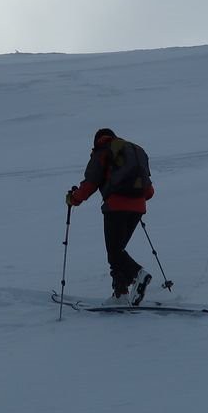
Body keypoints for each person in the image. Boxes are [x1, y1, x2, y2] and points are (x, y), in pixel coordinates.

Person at [66, 128, 155, 301]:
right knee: (117, 252)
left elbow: (90, 184)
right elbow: (149, 192)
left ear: (97, 141)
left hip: (115, 207)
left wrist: (73, 199)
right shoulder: (135, 151)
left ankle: (139, 275)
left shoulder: (102, 152)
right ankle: (120, 293)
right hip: (138, 208)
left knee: (115, 252)